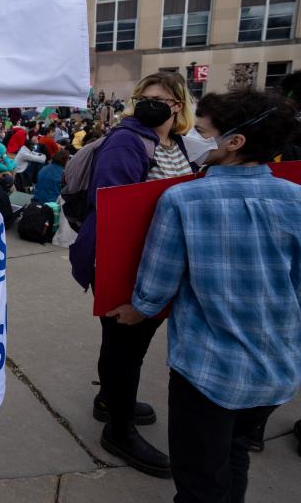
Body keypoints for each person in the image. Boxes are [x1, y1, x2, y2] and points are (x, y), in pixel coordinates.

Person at [106, 90, 301, 503]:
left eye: (203, 131)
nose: (192, 136)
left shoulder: (183, 199)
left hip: (207, 371)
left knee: (198, 480)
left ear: (235, 142)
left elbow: (157, 282)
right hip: (276, 367)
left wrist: (138, 310)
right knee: (234, 453)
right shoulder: (295, 199)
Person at [69, 71, 197, 479]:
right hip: (128, 263)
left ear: (178, 106)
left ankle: (110, 400)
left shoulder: (174, 143)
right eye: (143, 96)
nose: (148, 104)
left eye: (159, 99)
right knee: (125, 346)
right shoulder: (128, 140)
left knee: (131, 345)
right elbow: (114, 211)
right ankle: (118, 430)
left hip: (158, 261)